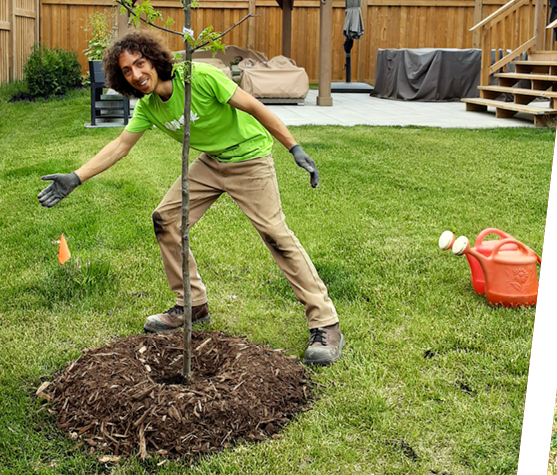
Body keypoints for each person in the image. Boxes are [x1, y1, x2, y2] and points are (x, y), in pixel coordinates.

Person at [38, 29, 345, 365]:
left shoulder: (199, 78)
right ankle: (191, 305)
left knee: (276, 235)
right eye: (127, 71)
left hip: (249, 157)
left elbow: (255, 107)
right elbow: (120, 146)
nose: (137, 75)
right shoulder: (150, 106)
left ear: (154, 60)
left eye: (140, 64)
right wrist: (76, 177)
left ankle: (324, 323)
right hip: (211, 162)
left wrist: (294, 147)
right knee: (165, 219)